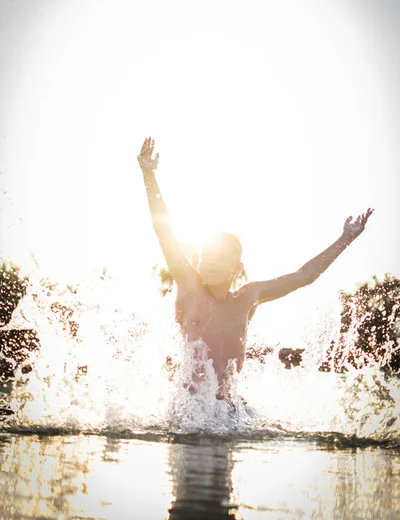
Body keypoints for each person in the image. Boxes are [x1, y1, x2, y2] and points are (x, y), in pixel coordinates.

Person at [137, 136, 373, 400]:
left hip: (228, 411)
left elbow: (305, 276)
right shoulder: (189, 284)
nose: (212, 261)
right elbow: (164, 229)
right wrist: (149, 173)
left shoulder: (248, 297)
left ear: (237, 268)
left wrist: (345, 239)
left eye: (222, 256)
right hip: (190, 407)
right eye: (207, 255)